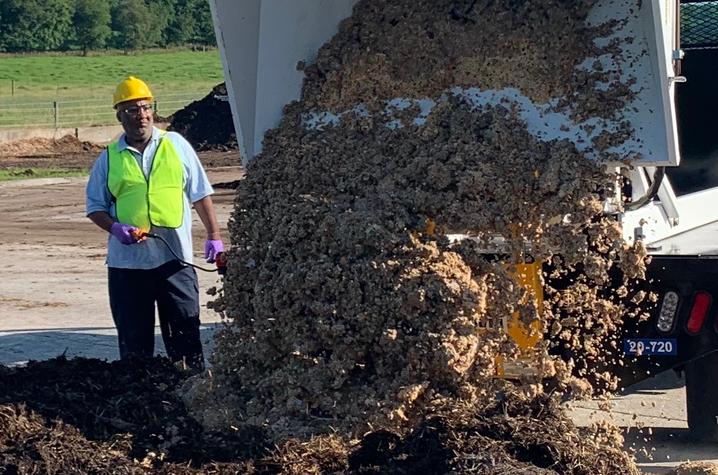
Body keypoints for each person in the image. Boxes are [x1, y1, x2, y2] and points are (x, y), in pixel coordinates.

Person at [86, 76, 224, 370]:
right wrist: (114, 228)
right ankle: (141, 400)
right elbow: (95, 207)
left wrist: (214, 235)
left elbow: (200, 193)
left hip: (175, 262)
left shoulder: (176, 145)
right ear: (120, 115)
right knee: (135, 348)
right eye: (133, 110)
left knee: (186, 343)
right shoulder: (109, 158)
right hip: (127, 268)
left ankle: (189, 393)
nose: (142, 116)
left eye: (146, 108)